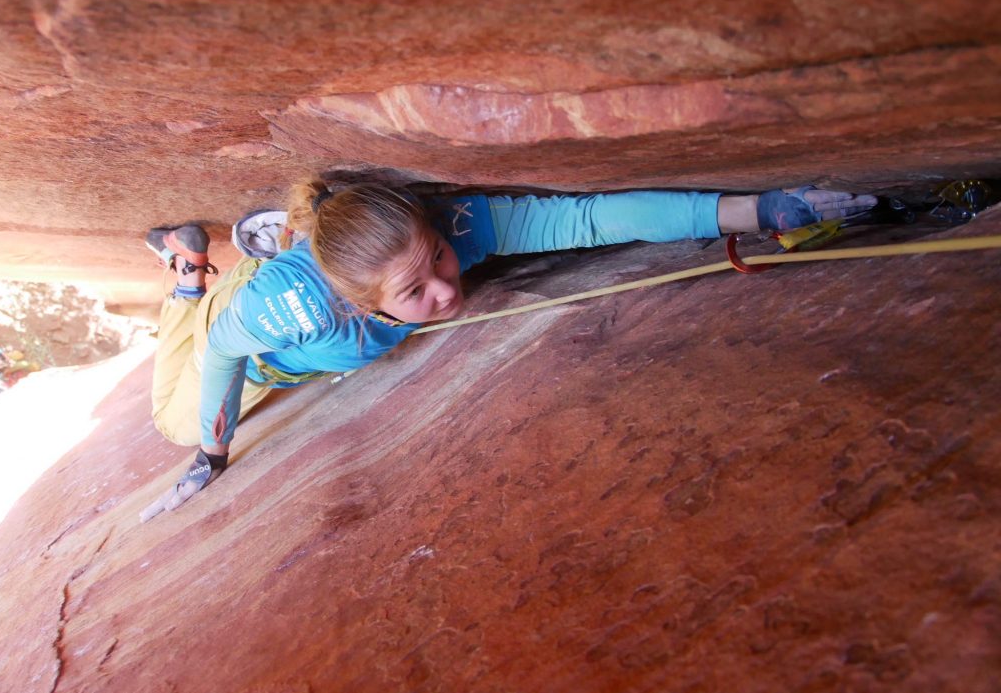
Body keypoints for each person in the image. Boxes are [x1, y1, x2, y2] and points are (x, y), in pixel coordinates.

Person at [139, 183, 875, 521]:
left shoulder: (456, 226)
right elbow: (225, 360)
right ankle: (186, 271)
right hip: (241, 335)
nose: (446, 290)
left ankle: (265, 238)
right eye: (414, 290)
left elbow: (587, 217)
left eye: (438, 260)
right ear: (360, 303)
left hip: (308, 285)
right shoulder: (282, 309)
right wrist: (211, 452)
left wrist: (753, 210)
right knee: (173, 410)